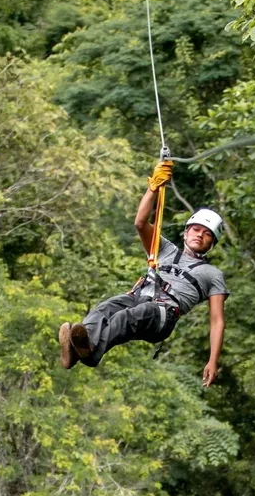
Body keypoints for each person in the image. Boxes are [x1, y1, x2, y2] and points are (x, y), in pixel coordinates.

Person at [59, 160, 229, 387]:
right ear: (186, 232)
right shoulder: (166, 249)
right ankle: (76, 351)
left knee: (126, 317)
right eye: (196, 229)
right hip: (138, 296)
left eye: (207, 234)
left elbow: (217, 321)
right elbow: (141, 223)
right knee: (106, 308)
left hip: (162, 313)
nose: (199, 235)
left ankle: (90, 353)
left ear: (212, 243)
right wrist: (153, 188)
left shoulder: (212, 274)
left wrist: (212, 360)